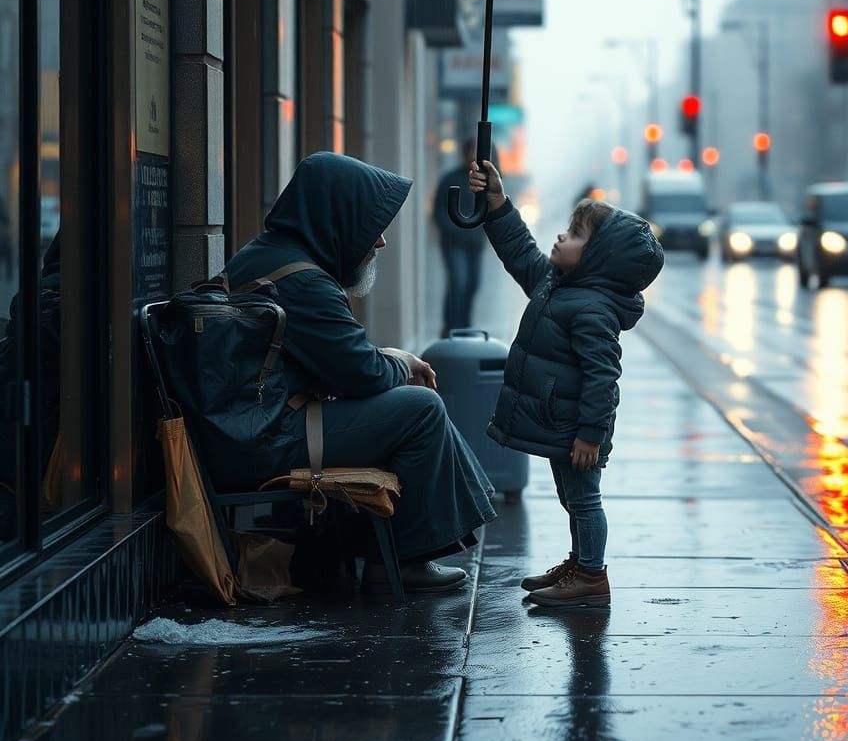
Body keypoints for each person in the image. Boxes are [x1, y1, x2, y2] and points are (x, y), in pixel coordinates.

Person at [223, 152, 496, 594]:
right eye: (372, 226)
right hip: (267, 440)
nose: (380, 242)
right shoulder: (303, 280)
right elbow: (362, 374)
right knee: (421, 408)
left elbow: (343, 359)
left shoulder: (269, 257)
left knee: (405, 405)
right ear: (337, 217)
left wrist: (387, 357)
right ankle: (397, 562)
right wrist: (400, 362)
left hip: (250, 429)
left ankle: (400, 545)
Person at [469, 158, 664, 608]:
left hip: (578, 429)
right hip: (563, 423)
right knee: (571, 497)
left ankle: (591, 576)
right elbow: (519, 251)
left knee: (584, 499)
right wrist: (497, 203)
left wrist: (590, 434)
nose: (561, 236)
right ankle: (579, 564)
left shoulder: (592, 309)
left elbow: (603, 376)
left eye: (576, 234)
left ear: (598, 259)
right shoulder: (558, 285)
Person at [433, 139, 487, 337]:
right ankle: (452, 327)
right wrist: (456, 230)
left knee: (472, 284)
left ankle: (464, 326)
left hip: (475, 244)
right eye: (472, 152)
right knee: (458, 282)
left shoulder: (484, 181)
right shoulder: (450, 179)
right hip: (454, 244)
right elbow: (438, 212)